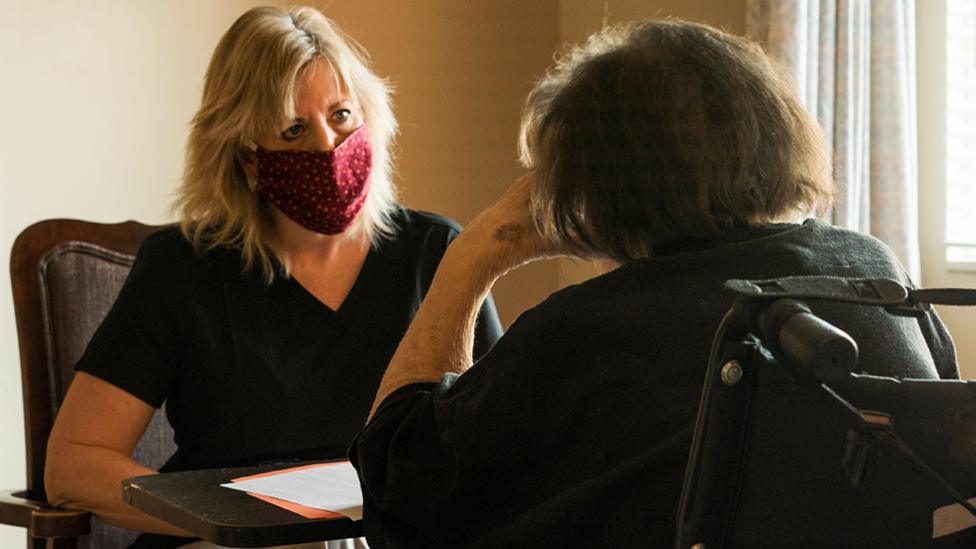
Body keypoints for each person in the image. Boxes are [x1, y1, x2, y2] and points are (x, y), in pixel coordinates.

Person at [351, 19, 959, 548]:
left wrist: (478, 253)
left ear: (593, 186)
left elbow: (399, 487)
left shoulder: (589, 327)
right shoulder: (874, 271)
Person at [44, 6, 502, 549]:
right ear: (246, 157)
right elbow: (73, 466)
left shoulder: (433, 253)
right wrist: (230, 522)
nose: (328, 148)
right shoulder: (181, 268)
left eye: (341, 115)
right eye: (293, 129)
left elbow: (495, 437)